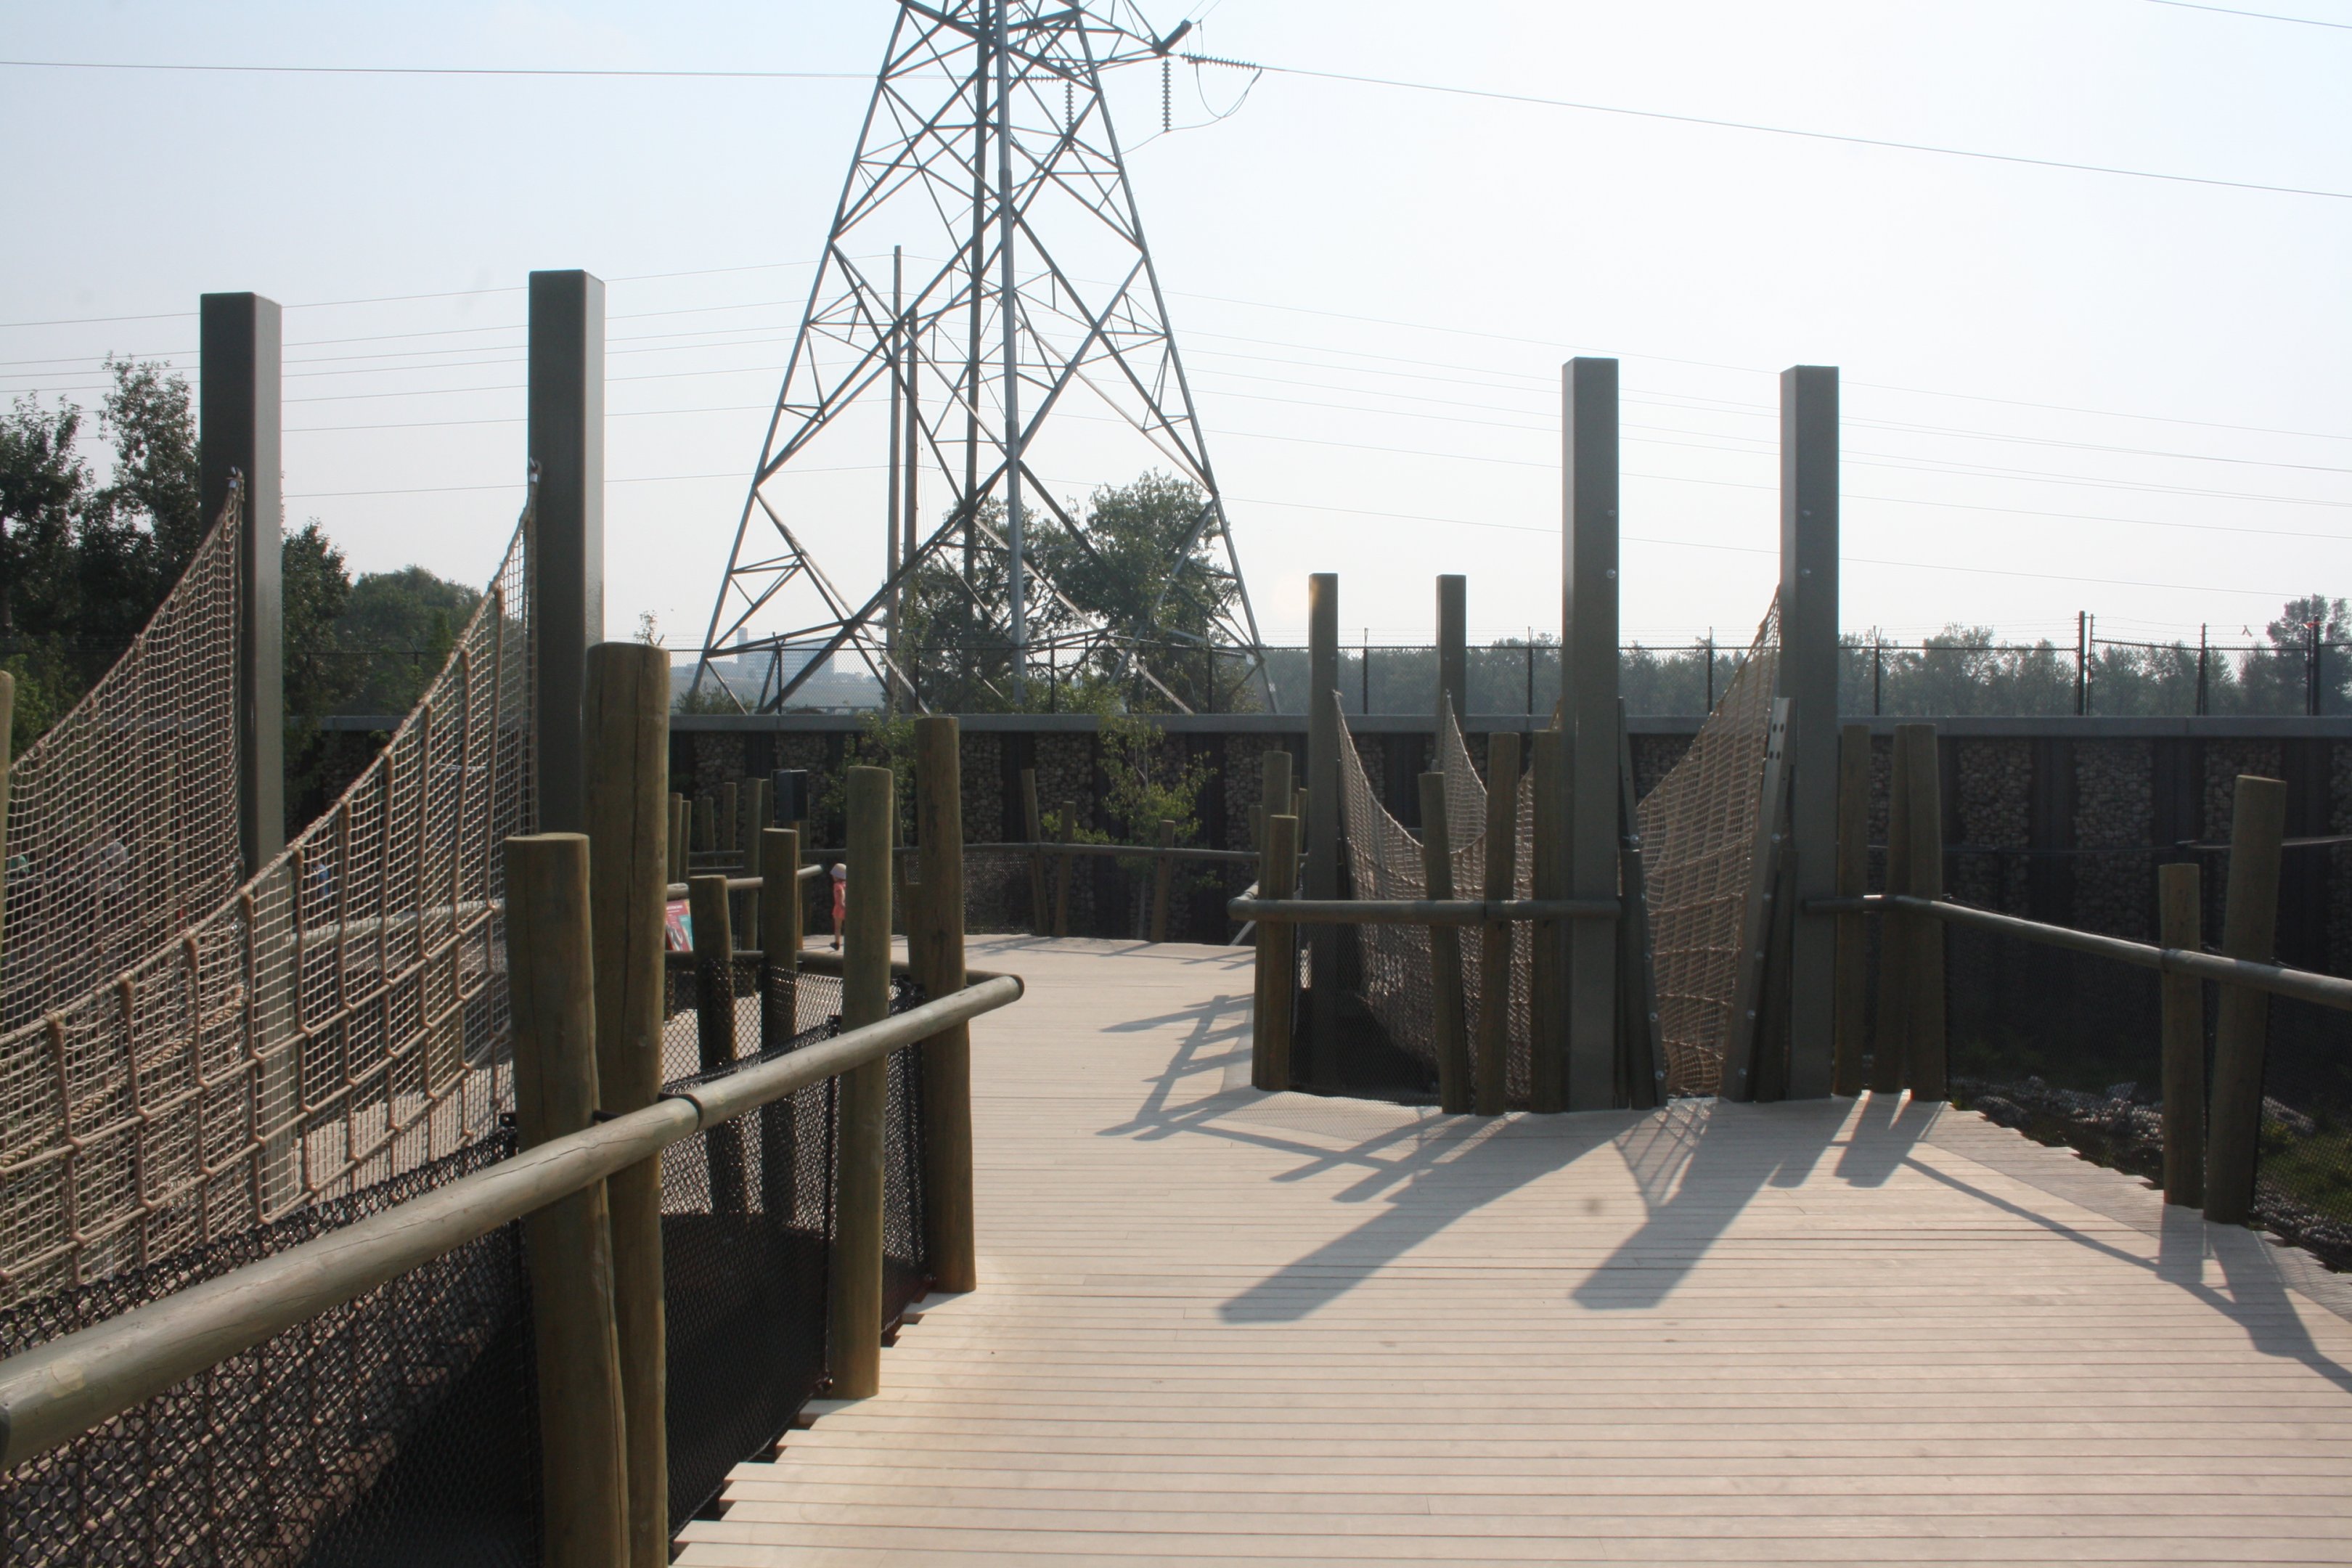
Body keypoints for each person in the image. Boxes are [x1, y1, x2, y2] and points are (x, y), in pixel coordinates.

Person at [829, 862, 846, 950]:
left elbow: (841, 893)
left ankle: (837, 943)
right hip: (847, 906)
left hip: (839, 907)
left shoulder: (837, 885)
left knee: (838, 927)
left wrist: (841, 903)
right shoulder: (846, 884)